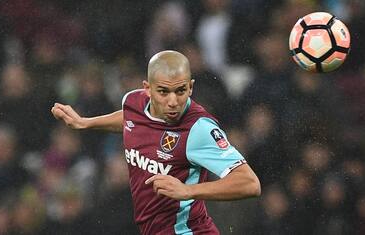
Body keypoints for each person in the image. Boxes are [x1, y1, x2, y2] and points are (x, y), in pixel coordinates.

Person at [51, 50, 261, 235]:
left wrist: (189, 191)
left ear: (191, 87)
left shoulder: (199, 129)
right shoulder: (133, 102)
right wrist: (86, 123)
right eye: (163, 91)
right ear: (147, 89)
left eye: (180, 90)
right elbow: (130, 120)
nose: (173, 101)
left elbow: (250, 183)